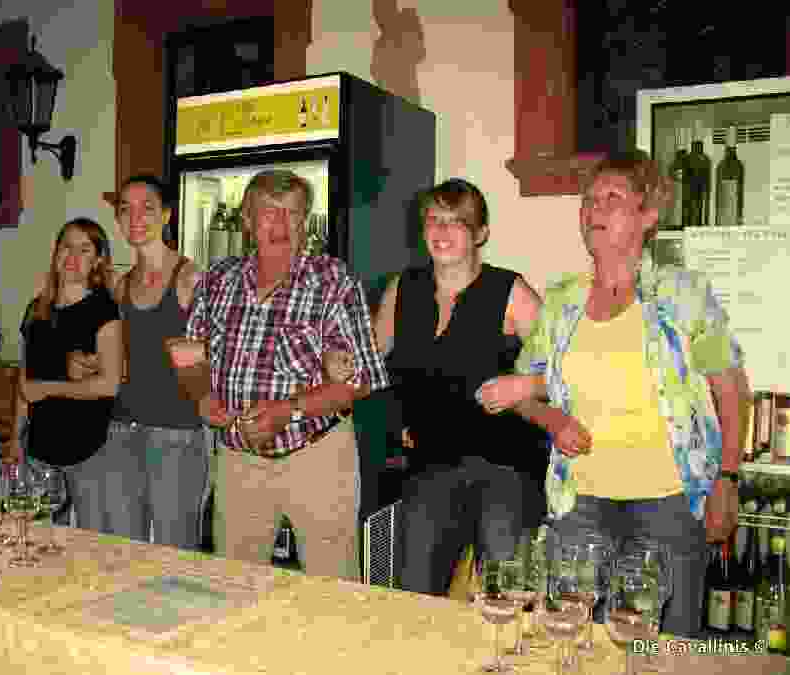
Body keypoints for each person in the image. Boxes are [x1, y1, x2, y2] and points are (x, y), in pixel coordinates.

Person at [513, 150, 748, 637]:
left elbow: (730, 389)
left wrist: (727, 478)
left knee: (664, 646)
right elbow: (523, 391)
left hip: (668, 504)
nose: (593, 210)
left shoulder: (683, 293)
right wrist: (553, 420)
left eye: (612, 199)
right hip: (580, 502)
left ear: (648, 215)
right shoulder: (561, 300)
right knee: (577, 641)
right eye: (589, 200)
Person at [180, 169, 389, 581]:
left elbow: (360, 380)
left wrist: (288, 410)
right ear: (246, 219)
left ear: (304, 221)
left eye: (292, 213)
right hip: (238, 460)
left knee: (333, 590)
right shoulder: (217, 279)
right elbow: (190, 354)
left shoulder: (332, 281)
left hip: (317, 456)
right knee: (235, 586)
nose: (280, 224)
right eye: (268, 212)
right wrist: (202, 396)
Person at [371, 178, 550, 597]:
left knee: (503, 598)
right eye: (434, 219)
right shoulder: (403, 288)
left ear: (480, 233)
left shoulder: (511, 291)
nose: (442, 230)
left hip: (505, 465)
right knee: (414, 597)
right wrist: (339, 362)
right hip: (431, 464)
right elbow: (370, 360)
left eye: (457, 221)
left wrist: (524, 385)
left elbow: (565, 372)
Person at [67, 175, 210, 550]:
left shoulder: (190, 278)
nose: (135, 218)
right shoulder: (121, 285)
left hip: (175, 435)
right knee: (123, 553)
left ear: (166, 215)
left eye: (147, 208)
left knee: (174, 554)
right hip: (119, 432)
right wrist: (90, 364)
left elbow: (222, 350)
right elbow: (128, 358)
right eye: (125, 210)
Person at [19, 218, 123, 528]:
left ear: (98, 260)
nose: (72, 256)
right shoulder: (36, 310)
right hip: (39, 450)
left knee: (91, 540)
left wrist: (49, 388)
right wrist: (14, 440)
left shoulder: (105, 310)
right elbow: (24, 384)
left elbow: (109, 385)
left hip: (88, 449)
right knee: (39, 539)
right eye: (66, 246)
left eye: (84, 249)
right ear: (56, 252)